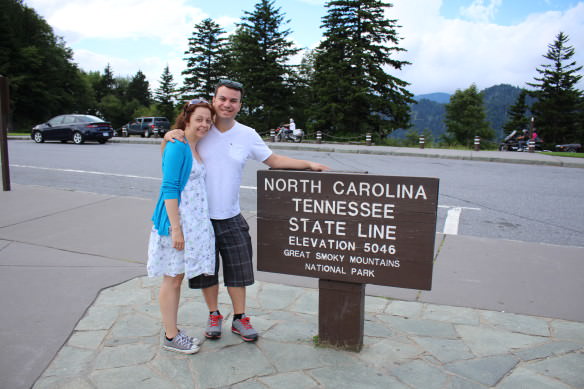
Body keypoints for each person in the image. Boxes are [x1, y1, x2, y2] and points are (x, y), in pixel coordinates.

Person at [164, 79, 329, 342]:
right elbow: (174, 152)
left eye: (233, 100)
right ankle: (214, 314)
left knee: (238, 271)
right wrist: (168, 134)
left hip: (231, 215)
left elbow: (273, 160)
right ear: (214, 99)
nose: (227, 104)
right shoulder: (200, 128)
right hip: (199, 219)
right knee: (207, 272)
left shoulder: (247, 134)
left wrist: (308, 163)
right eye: (222, 99)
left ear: (240, 104)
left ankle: (240, 319)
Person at [148, 99, 216, 353]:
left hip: (193, 224)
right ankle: (170, 336)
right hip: (177, 224)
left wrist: (165, 139)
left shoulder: (192, 146)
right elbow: (169, 187)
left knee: (177, 277)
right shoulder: (179, 145)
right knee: (172, 278)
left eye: (208, 120)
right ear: (186, 120)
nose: (204, 124)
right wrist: (176, 229)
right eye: (199, 119)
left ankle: (173, 331)